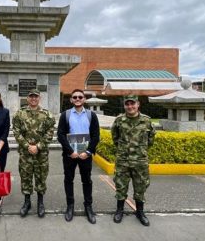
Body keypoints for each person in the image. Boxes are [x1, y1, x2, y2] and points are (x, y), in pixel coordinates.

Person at [111, 95, 156, 226]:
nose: (130, 107)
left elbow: (151, 140)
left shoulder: (146, 121)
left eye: (132, 104)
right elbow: (115, 137)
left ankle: (140, 212)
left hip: (140, 161)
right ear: (125, 105)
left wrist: (139, 151)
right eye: (127, 104)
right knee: (120, 186)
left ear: (138, 104)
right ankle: (119, 210)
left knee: (140, 187)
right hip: (123, 160)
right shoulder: (119, 120)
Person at [57, 89, 100, 224]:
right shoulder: (65, 115)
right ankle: (70, 206)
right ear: (71, 100)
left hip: (85, 155)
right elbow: (61, 135)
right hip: (70, 155)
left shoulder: (91, 115)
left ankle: (88, 206)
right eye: (74, 97)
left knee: (86, 180)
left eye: (80, 97)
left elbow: (95, 135)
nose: (77, 99)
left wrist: (87, 152)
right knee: (68, 180)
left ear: (84, 99)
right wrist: (70, 151)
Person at [12, 89, 55, 218]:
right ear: (27, 98)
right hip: (25, 154)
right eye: (31, 97)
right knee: (26, 177)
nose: (33, 99)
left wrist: (38, 146)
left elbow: (50, 132)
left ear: (39, 98)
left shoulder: (47, 115)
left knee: (41, 177)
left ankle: (40, 203)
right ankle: (27, 202)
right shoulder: (20, 114)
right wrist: (27, 146)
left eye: (36, 97)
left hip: (41, 154)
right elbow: (16, 131)